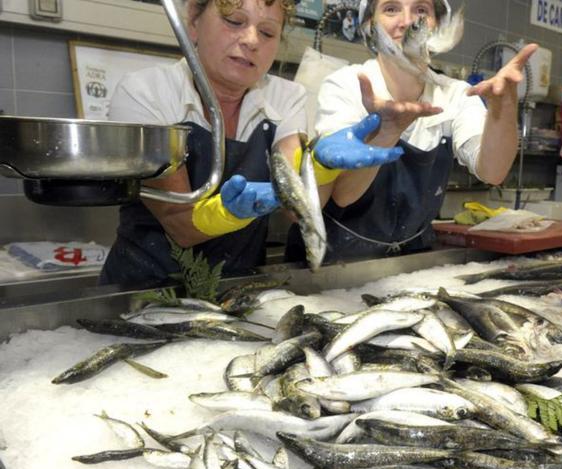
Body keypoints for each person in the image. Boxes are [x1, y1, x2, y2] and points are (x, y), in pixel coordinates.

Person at [100, 0, 400, 286]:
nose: (251, 40)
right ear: (193, 20)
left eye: (268, 32)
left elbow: (296, 210)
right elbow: (180, 226)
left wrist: (319, 169)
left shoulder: (286, 98)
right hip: (142, 292)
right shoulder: (146, 93)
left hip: (239, 290)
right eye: (234, 21)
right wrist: (227, 213)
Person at [286, 0, 538, 262]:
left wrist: (505, 105)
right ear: (370, 25)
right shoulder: (348, 85)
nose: (406, 22)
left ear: (437, 26)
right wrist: (387, 130)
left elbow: (493, 171)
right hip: (330, 261)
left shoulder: (455, 94)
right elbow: (342, 195)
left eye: (421, 10)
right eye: (391, 9)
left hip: (409, 261)